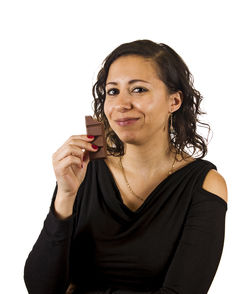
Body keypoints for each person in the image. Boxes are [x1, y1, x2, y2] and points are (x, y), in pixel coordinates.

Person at [24, 39, 228, 294]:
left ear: (174, 102)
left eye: (139, 90)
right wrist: (65, 197)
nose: (121, 104)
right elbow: (40, 288)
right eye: (112, 91)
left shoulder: (205, 184)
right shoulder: (85, 171)